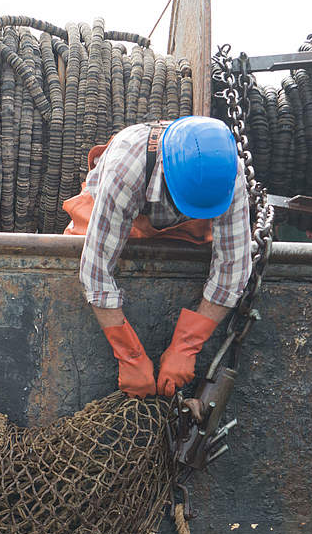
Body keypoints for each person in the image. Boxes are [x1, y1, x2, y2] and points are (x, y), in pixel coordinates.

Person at [64, 116, 251, 398]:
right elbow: (95, 271)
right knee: (69, 261)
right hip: (115, 204)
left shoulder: (227, 175)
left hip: (186, 225)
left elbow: (233, 270)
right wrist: (129, 355)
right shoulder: (126, 170)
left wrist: (187, 346)